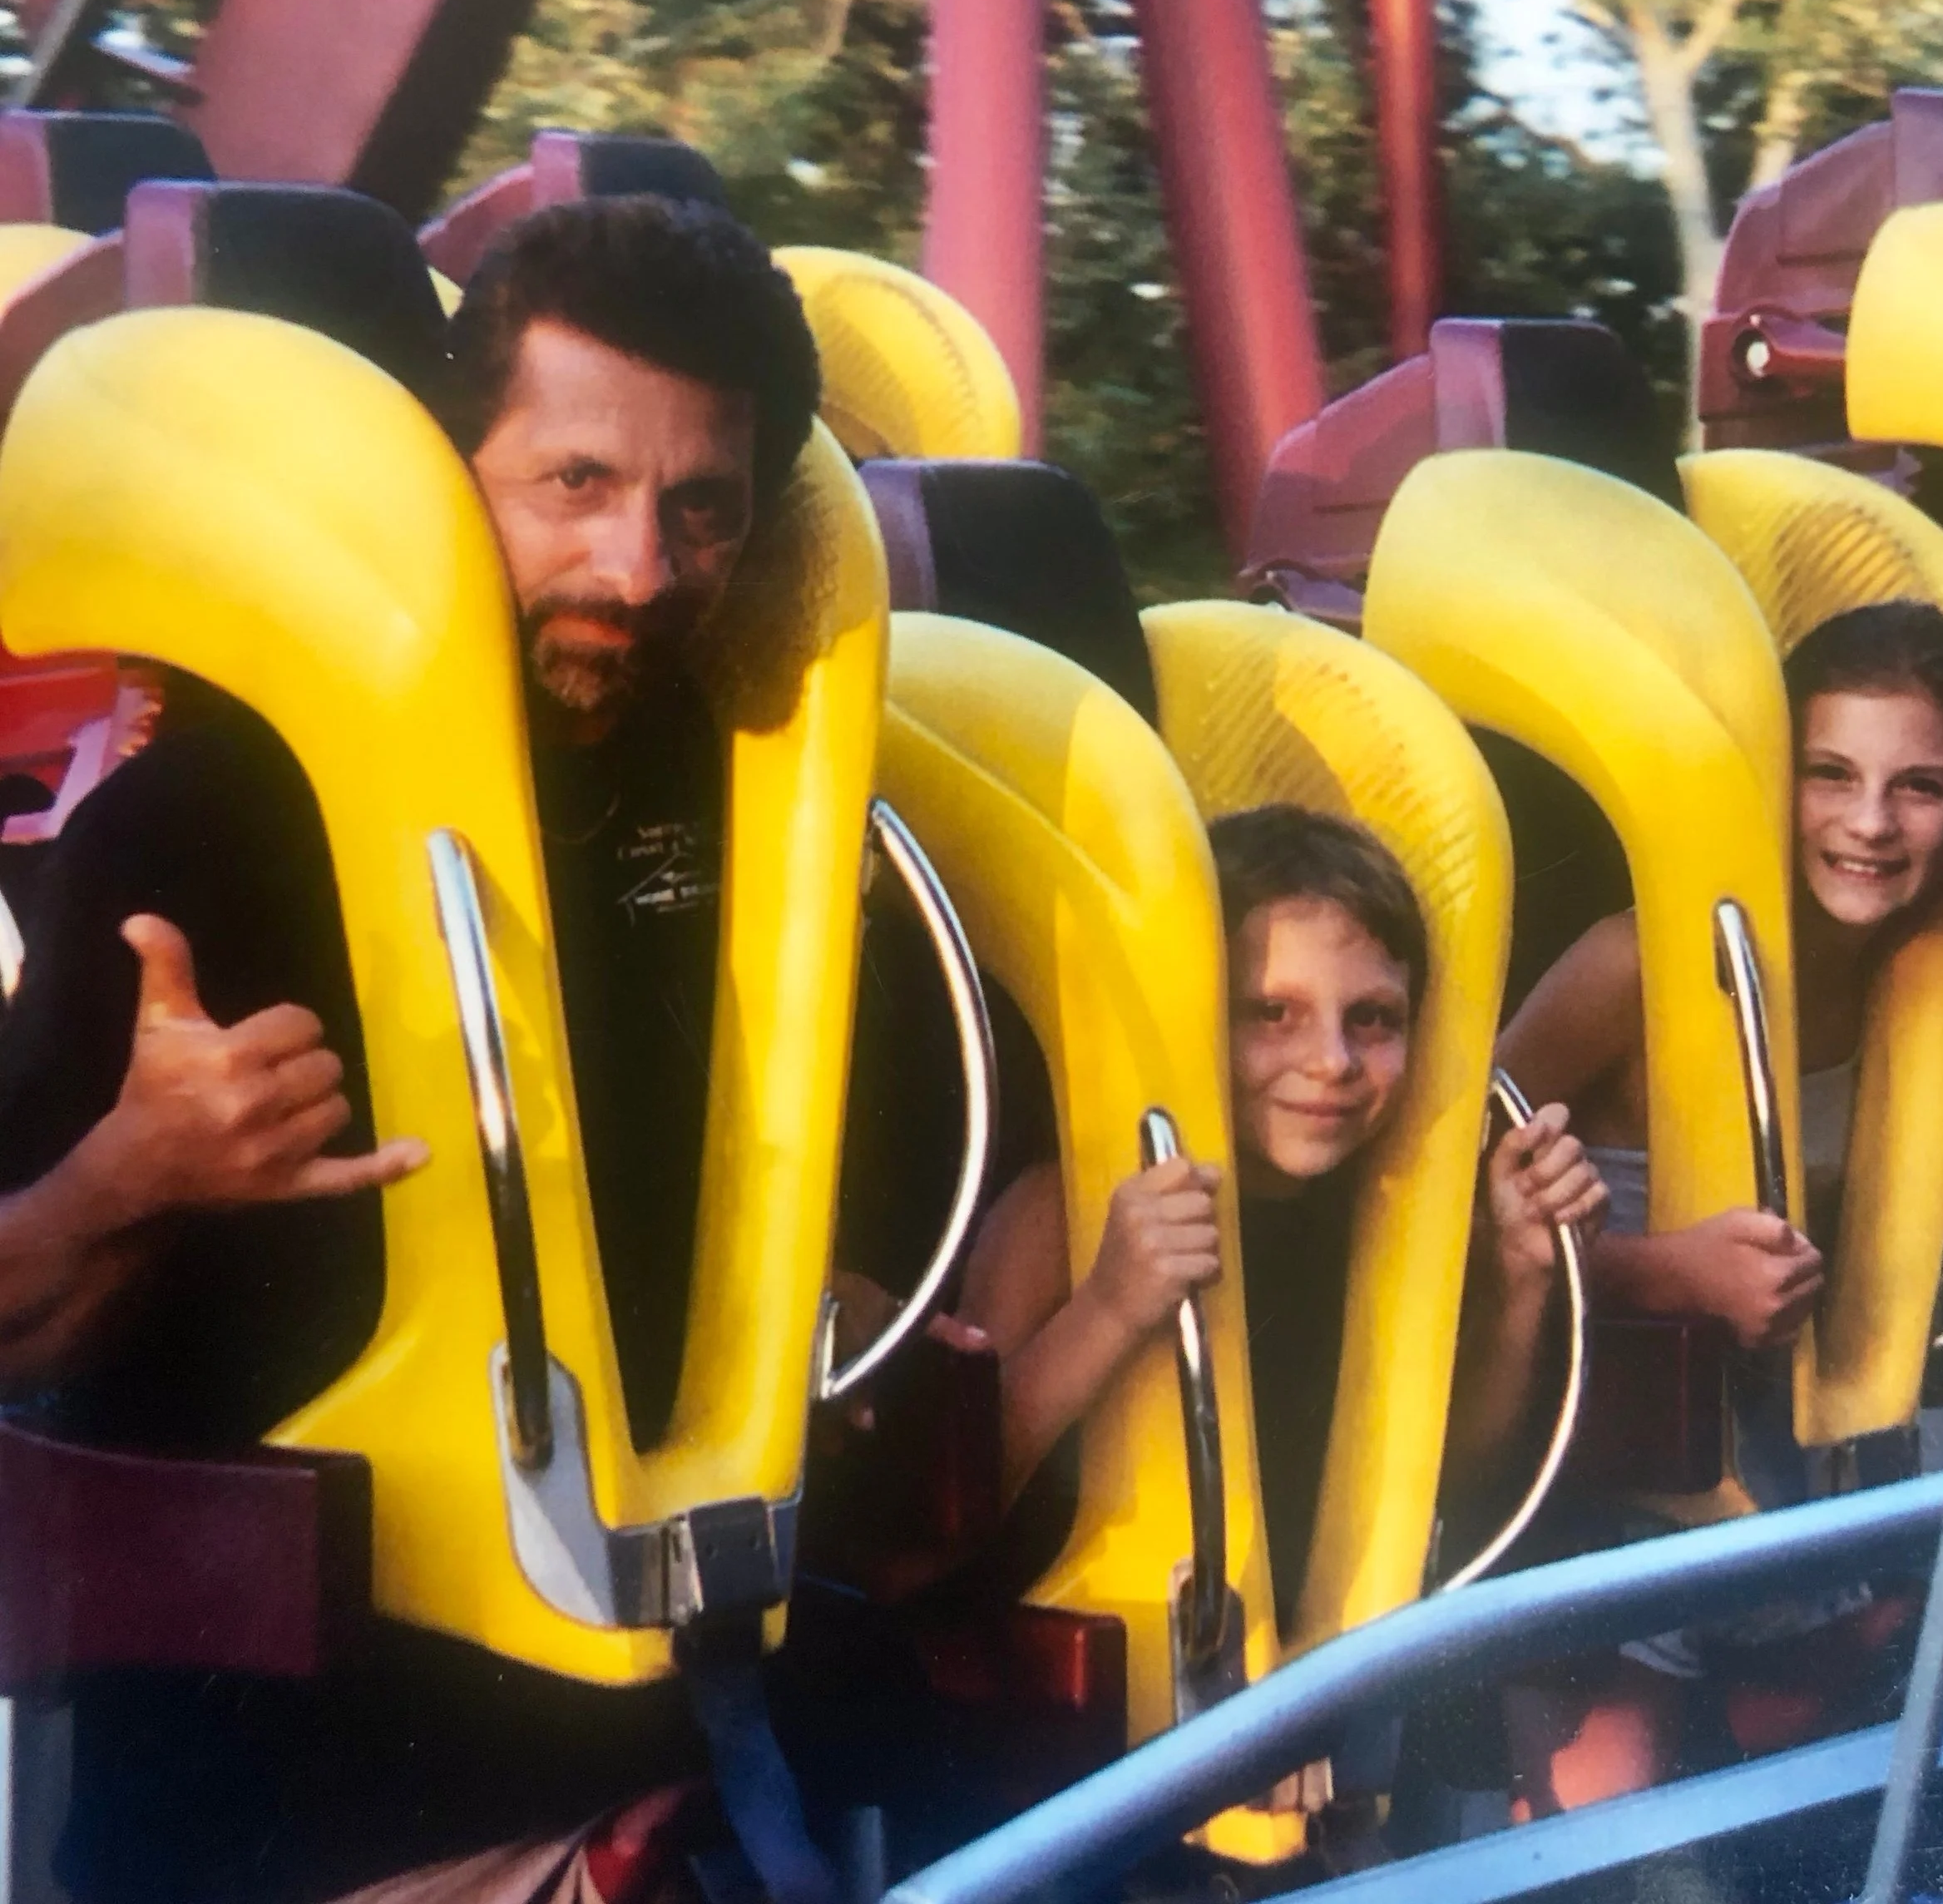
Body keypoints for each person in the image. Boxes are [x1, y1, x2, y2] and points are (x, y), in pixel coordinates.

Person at [0, 196, 820, 1902]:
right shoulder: (197, 818)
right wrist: (131, 1178)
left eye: (700, 508)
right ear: (444, 477)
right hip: (269, 1797)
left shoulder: (765, 814)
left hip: (657, 1756)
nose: (636, 569)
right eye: (574, 483)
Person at [955, 804, 1607, 1808]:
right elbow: (952, 1519)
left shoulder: (1385, 1220)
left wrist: (1520, 1273)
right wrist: (1110, 1305)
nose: (1332, 1061)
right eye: (1271, 1012)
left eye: (1373, 1018)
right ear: (1192, 1013)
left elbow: (1450, 1474)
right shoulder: (1066, 1207)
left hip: (1323, 1721)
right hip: (1080, 1743)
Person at [1494, 598, 1943, 1812]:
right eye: (1831, 774)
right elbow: (1427, 1219)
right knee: (1619, 1831)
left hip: (1789, 1460)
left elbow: (1851, 1197)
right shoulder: (1638, 961)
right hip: (1611, 1460)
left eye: (1919, 786)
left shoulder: (1919, 981)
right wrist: (1664, 1271)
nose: (1869, 822)